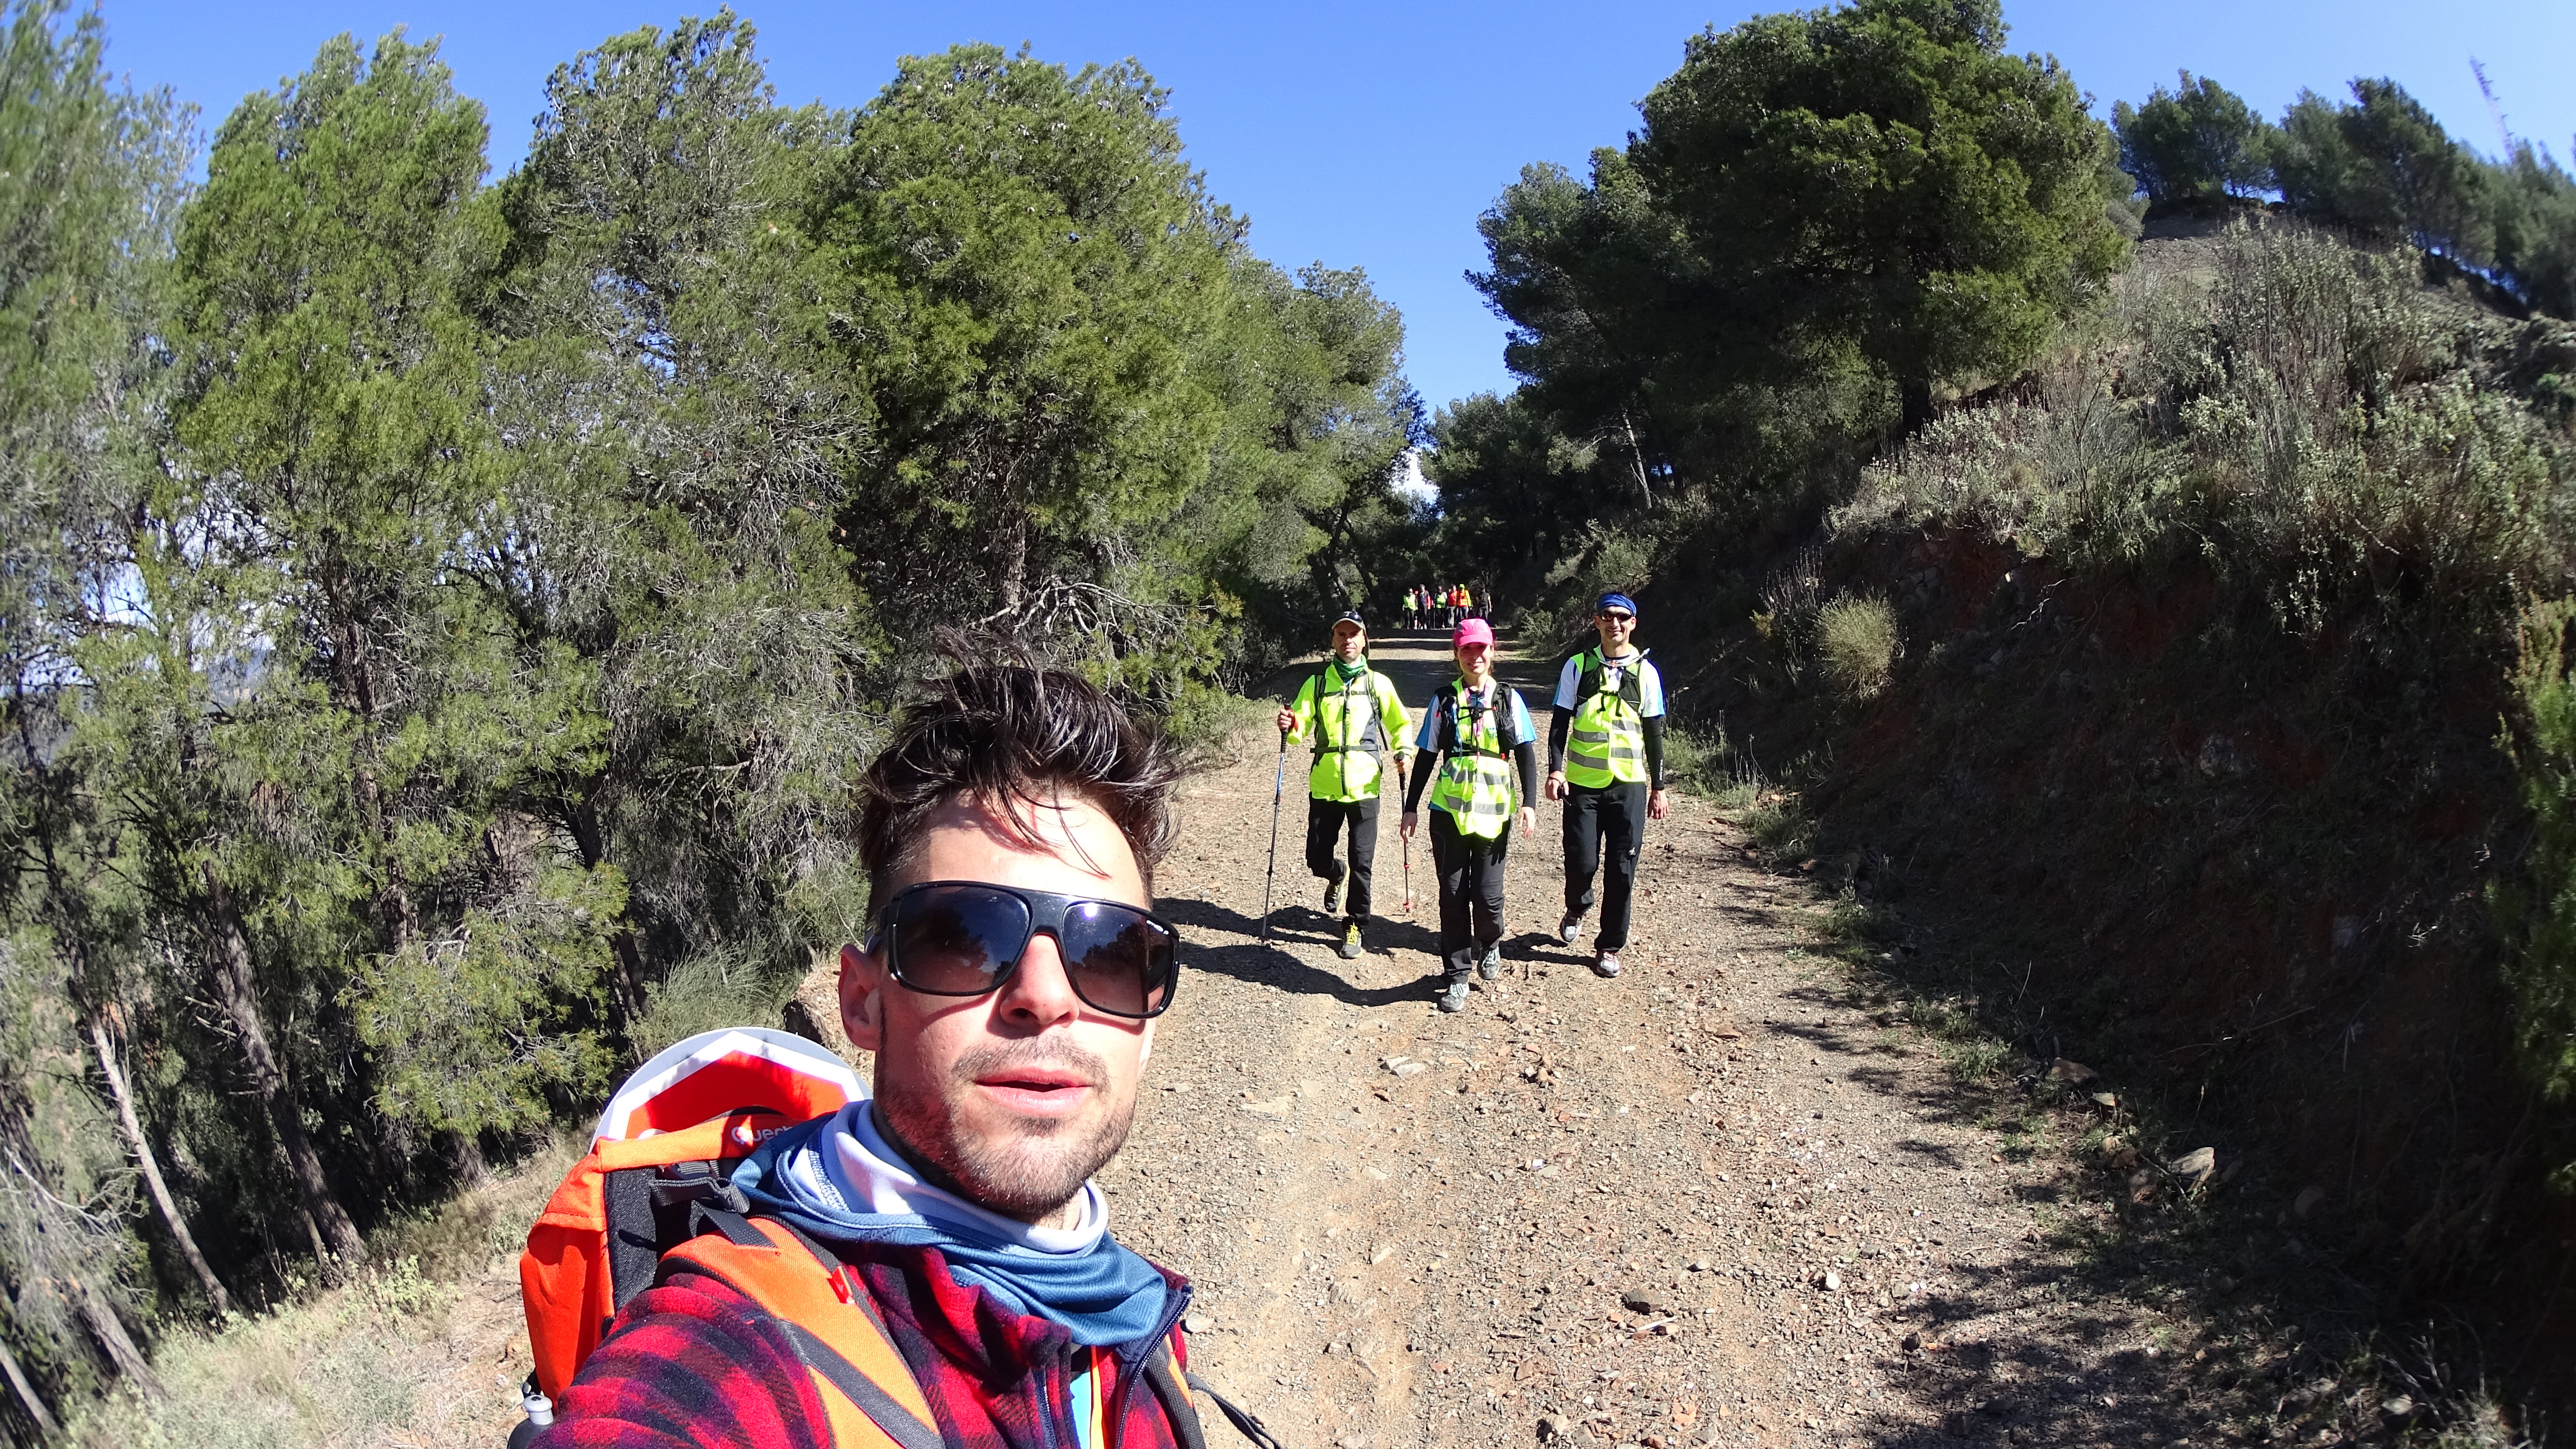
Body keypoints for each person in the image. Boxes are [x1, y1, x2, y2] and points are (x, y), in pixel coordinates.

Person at [538, 667, 1211, 1448]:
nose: (1046, 994)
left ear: (1147, 1019)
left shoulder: (1129, 1310)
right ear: (862, 1001)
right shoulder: (744, 1342)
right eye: (963, 937)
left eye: (1108, 951)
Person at [1400, 618, 1539, 1014]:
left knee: (1488, 898)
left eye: (1481, 649)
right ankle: (1457, 975)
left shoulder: (1509, 698)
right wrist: (1411, 807)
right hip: (1449, 812)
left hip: (1494, 815)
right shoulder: (1443, 700)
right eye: (1466, 649)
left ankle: (1491, 941)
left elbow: (1527, 752)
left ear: (1492, 652)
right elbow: (1427, 755)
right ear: (1456, 655)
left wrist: (1529, 803)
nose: (1474, 656)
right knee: (1453, 895)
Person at [1546, 591, 1670, 980]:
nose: (1614, 623)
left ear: (1633, 623)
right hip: (1583, 784)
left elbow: (1655, 733)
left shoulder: (1646, 672)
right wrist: (1555, 770)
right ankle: (1578, 904)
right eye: (1606, 616)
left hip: (1629, 786)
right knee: (1581, 861)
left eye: (1622, 617)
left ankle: (1610, 946)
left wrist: (1659, 786)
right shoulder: (1578, 666)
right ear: (1596, 621)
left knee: (1622, 868)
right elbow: (1560, 723)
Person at [1276, 610, 1412, 960]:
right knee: (1317, 859)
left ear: (1364, 640)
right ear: (1333, 641)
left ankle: (1355, 923)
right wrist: (1289, 724)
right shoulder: (1317, 684)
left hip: (1366, 786)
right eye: (1341, 634)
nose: (1348, 639)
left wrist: (1403, 750)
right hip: (1325, 785)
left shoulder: (1378, 683)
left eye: (1354, 634)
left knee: (1362, 860)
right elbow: (1299, 729)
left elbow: (1400, 723)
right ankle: (1336, 875)